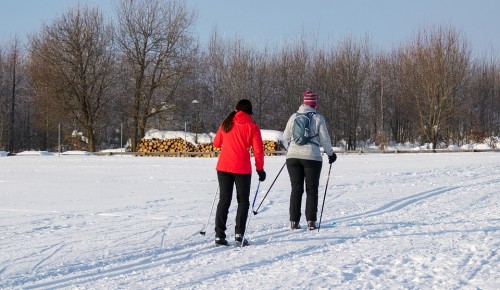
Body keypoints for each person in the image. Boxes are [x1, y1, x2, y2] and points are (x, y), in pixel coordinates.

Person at [213, 99, 266, 246]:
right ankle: (239, 234)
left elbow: (216, 143)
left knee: (224, 200)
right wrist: (260, 169)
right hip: (242, 168)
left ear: (237, 110)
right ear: (249, 111)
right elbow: (258, 151)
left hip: (223, 167)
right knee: (243, 201)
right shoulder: (252, 127)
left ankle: (219, 235)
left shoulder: (227, 123)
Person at [282, 89, 337, 230]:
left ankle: (294, 222)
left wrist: (292, 149)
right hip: (312, 157)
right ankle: (311, 221)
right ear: (315, 104)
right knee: (311, 190)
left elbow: (285, 137)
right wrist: (331, 154)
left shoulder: (293, 116)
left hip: (292, 157)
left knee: (296, 189)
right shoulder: (318, 118)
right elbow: (325, 139)